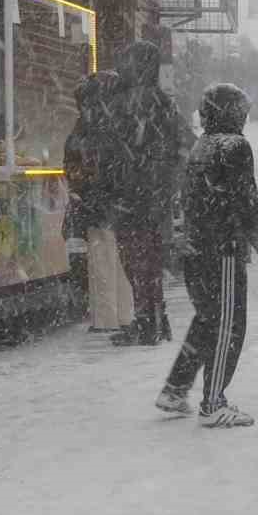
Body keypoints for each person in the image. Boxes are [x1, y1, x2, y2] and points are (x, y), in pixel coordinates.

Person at [156, 84, 258, 427]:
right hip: (222, 249)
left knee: (207, 319)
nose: (243, 114)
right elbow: (246, 202)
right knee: (229, 324)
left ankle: (175, 388)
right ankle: (213, 403)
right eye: (240, 108)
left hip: (198, 247)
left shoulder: (202, 144)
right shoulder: (234, 146)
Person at [100, 40, 185, 346]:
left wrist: (114, 187)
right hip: (153, 195)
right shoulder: (164, 101)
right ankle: (157, 321)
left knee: (136, 262)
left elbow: (110, 151)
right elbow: (180, 147)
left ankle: (147, 322)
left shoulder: (127, 102)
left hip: (132, 195)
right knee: (150, 263)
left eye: (129, 61)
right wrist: (166, 186)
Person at [63, 71, 133, 333]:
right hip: (118, 202)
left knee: (102, 259)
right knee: (119, 259)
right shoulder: (120, 121)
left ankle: (105, 318)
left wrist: (81, 186)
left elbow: (79, 160)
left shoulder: (90, 125)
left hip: (99, 201)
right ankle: (125, 314)